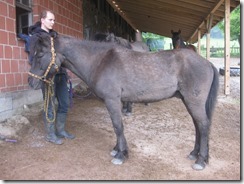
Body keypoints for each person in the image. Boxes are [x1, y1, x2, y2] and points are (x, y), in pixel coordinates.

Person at [28, 10, 75, 145]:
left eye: (54, 20)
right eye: (50, 20)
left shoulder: (54, 36)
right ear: (42, 20)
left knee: (64, 103)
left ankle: (60, 130)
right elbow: (34, 58)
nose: (53, 22)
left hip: (60, 75)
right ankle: (50, 134)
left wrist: (65, 71)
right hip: (48, 76)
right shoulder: (36, 37)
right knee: (49, 105)